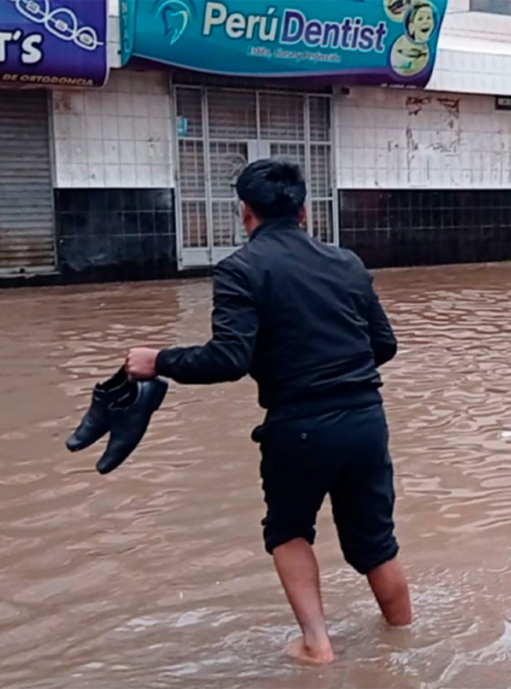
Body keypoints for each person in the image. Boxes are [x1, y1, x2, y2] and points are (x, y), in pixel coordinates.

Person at [124, 159, 411, 665]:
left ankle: (317, 646)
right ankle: (406, 639)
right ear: (304, 211)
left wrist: (158, 361)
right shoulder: (347, 263)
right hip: (366, 421)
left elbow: (229, 359)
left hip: (298, 427)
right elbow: (383, 344)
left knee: (289, 531)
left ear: (245, 213)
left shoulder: (240, 269)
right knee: (375, 540)